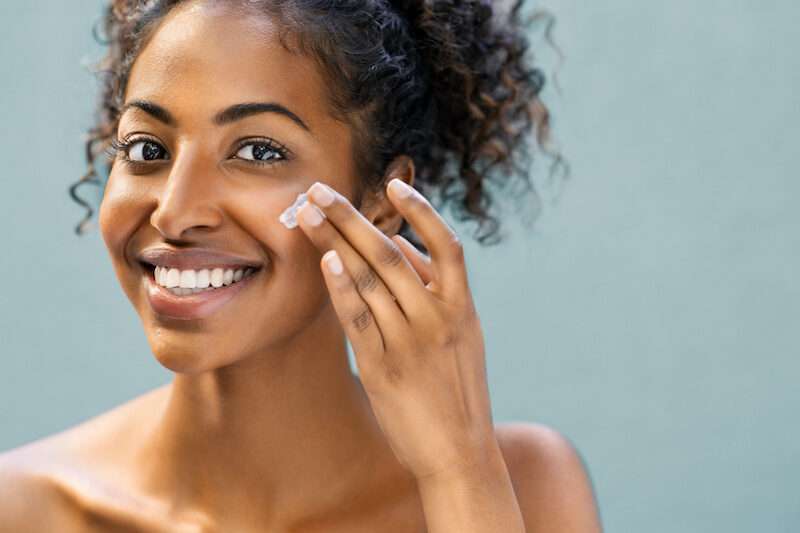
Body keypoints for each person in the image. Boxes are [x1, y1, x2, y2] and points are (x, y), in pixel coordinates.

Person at [0, 1, 602, 531]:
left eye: (258, 151)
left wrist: (457, 474)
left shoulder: (524, 488)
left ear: (381, 199)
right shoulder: (24, 510)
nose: (176, 212)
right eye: (146, 150)